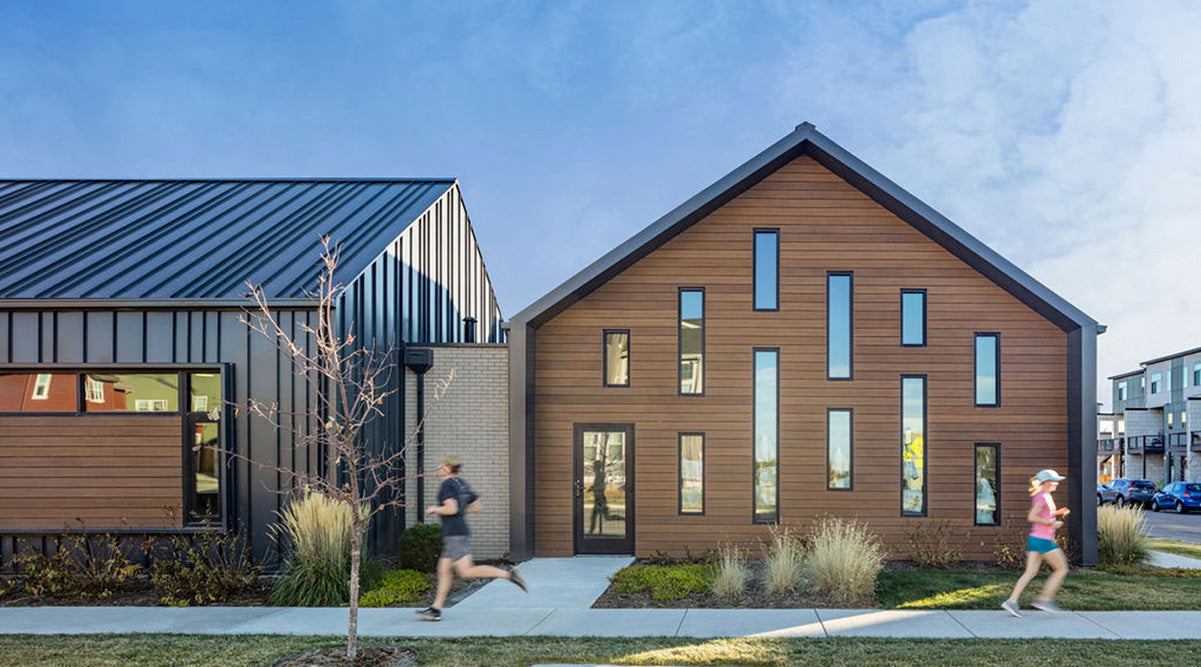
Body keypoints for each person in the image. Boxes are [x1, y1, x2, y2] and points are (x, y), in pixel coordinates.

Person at [416, 456, 526, 621]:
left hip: (454, 534)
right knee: (444, 570)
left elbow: (451, 509)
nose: (438, 467)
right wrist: (460, 512)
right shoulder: (462, 483)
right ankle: (435, 609)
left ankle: (509, 575)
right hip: (458, 532)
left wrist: (435, 509)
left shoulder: (447, 484)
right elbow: (476, 506)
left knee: (466, 571)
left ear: (448, 468)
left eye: (441, 465)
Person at [1001, 469, 1071, 617]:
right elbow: (1032, 517)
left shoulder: (1045, 496)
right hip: (1043, 540)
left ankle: (1011, 602)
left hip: (1035, 539)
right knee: (1062, 569)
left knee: (1030, 572)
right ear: (1046, 482)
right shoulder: (1042, 497)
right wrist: (1051, 523)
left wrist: (1057, 513)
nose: (1057, 483)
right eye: (1054, 481)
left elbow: (1045, 514)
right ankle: (1044, 600)